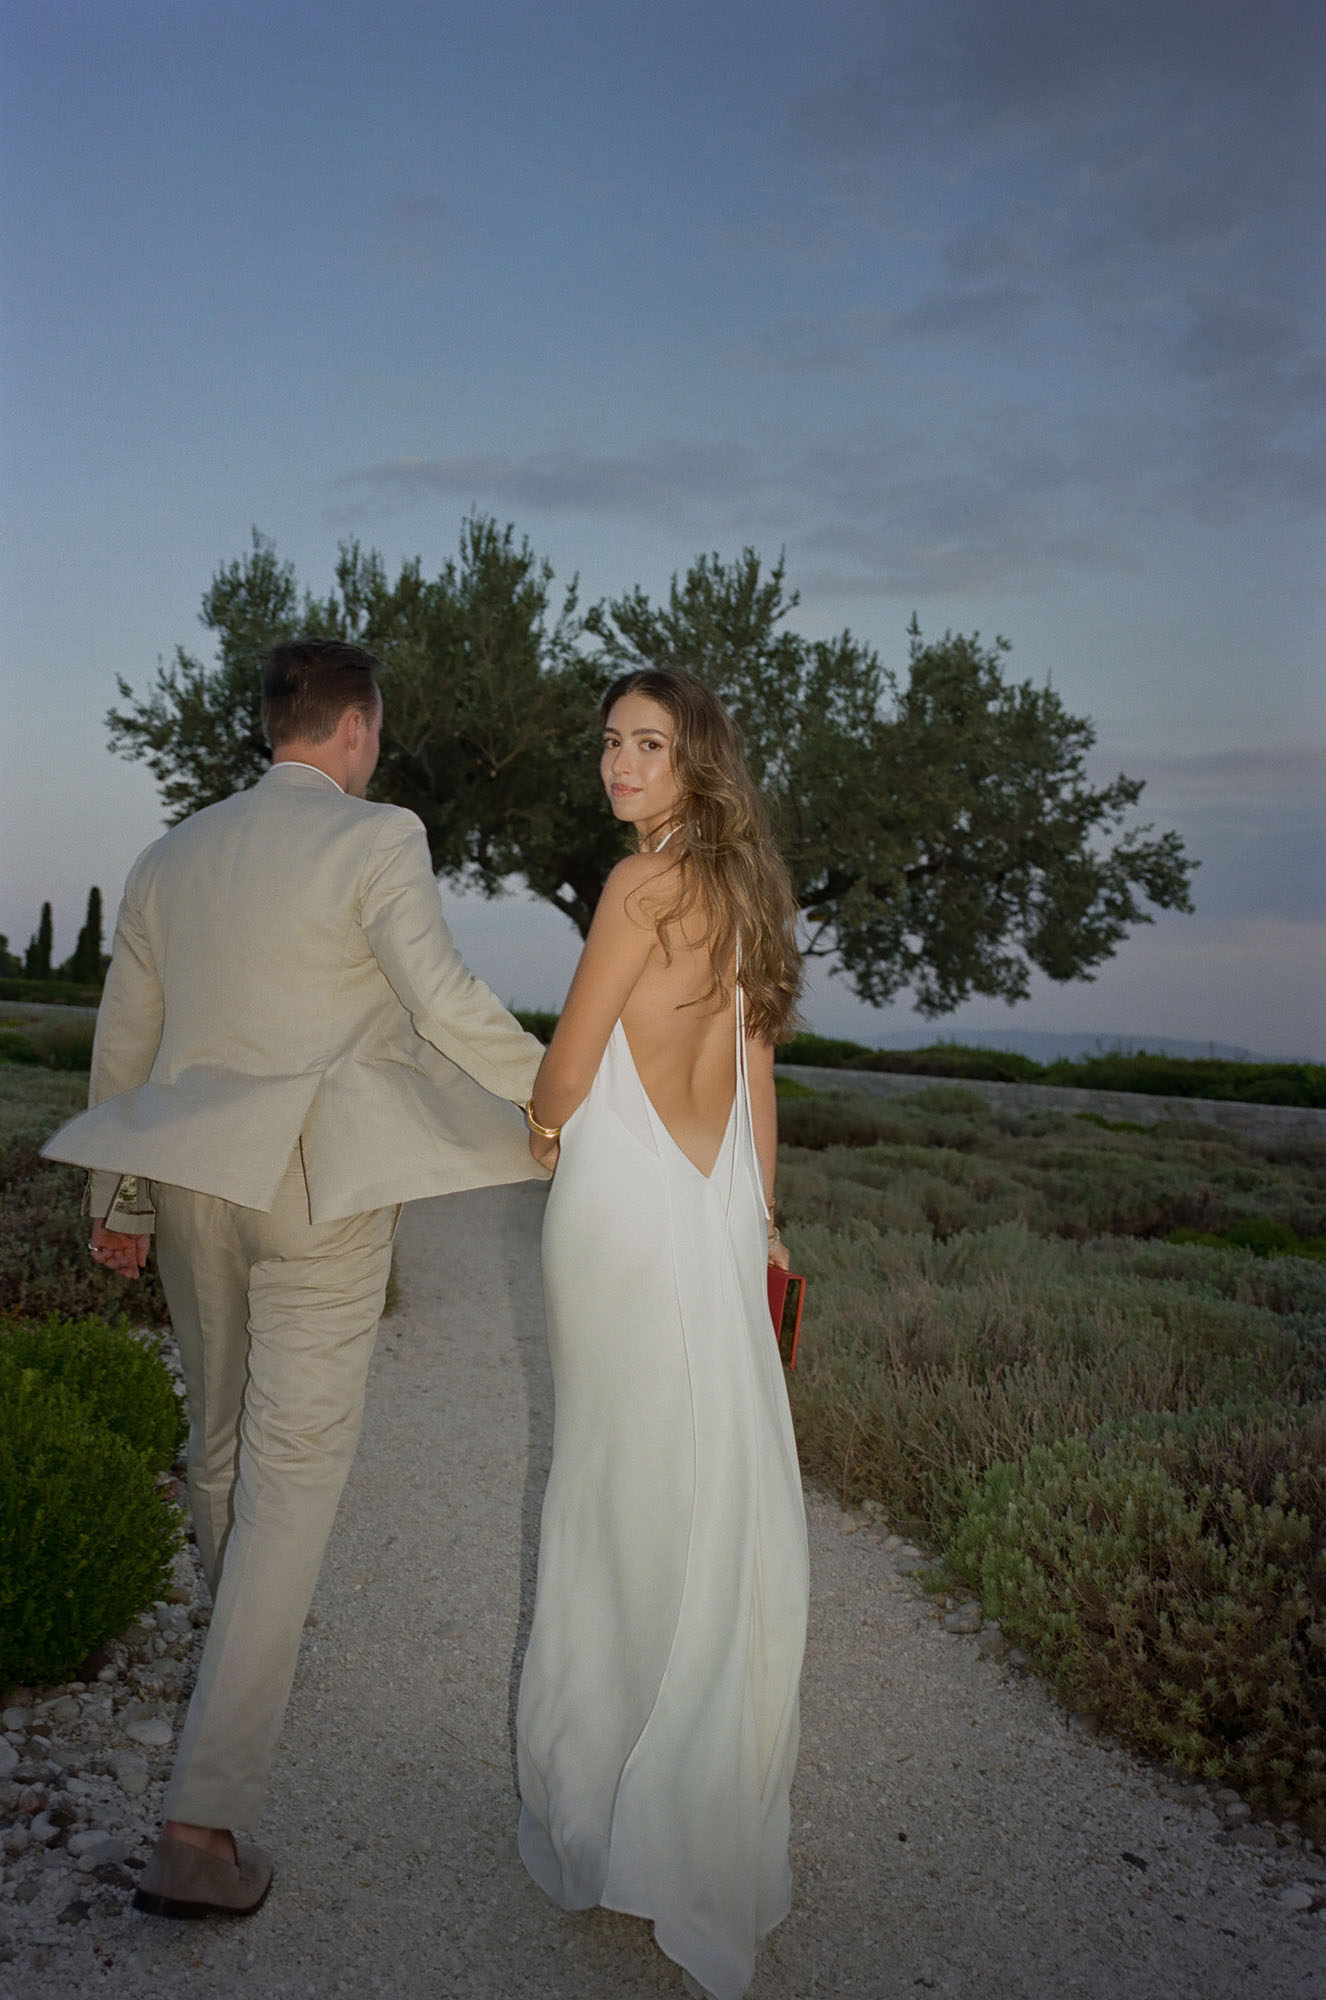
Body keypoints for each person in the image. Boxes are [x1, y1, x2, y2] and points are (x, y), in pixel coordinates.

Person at [43, 638, 547, 1921]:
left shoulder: (171, 854)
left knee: (217, 1448)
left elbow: (126, 1039)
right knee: (295, 1470)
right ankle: (200, 1824)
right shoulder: (379, 837)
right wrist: (562, 1097)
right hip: (320, 1186)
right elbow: (442, 998)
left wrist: (116, 1196)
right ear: (358, 729)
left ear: (273, 725)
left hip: (195, 1181)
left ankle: (238, 1664)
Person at [514, 668, 809, 2000]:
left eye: (647, 744)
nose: (619, 765)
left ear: (697, 763)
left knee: (609, 1486)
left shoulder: (639, 887)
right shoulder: (748, 896)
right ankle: (682, 1798)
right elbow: (755, 1076)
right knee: (706, 1487)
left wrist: (538, 1125)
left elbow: (570, 1064)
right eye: (610, 743)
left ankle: (608, 1799)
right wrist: (763, 1224)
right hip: (716, 1202)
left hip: (621, 1208)